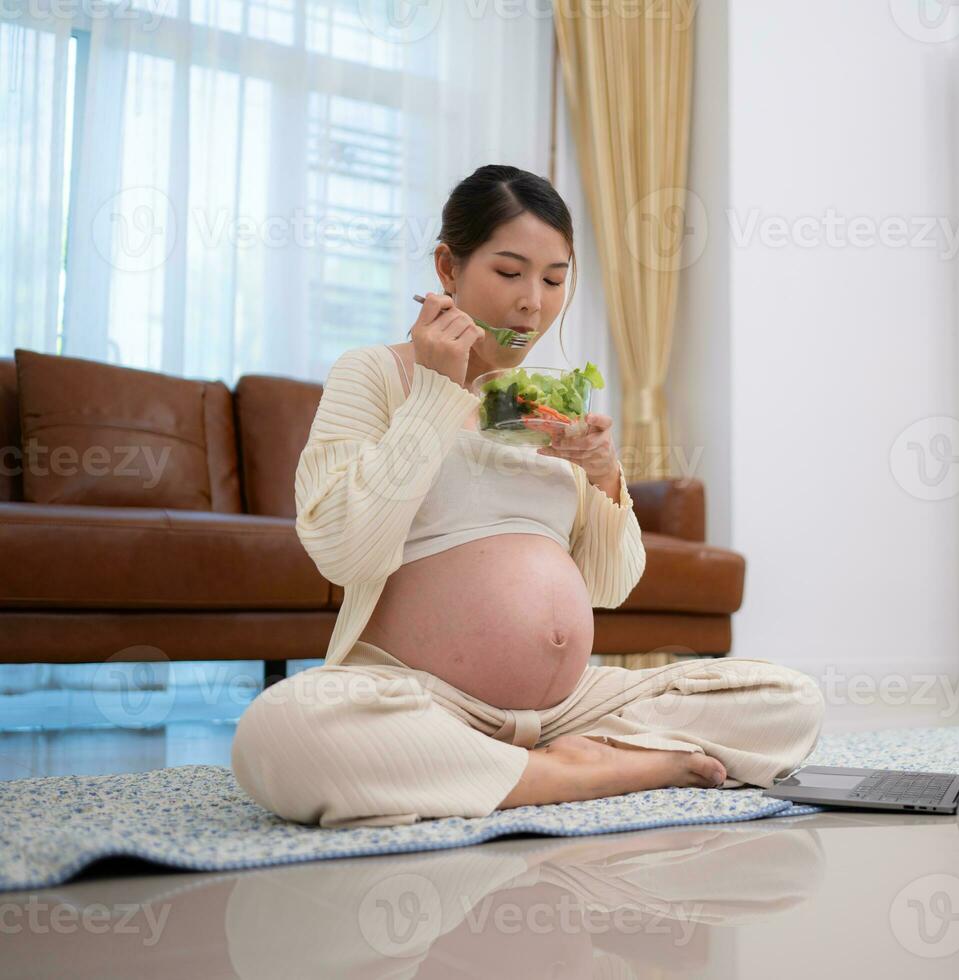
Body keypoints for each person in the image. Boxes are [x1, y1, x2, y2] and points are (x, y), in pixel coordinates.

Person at [230, 165, 824, 827]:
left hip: (567, 707)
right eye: (509, 274)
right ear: (448, 268)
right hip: (422, 698)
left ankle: (530, 766)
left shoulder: (542, 401)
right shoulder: (374, 374)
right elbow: (344, 553)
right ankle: (585, 769)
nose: (532, 305)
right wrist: (436, 394)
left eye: (554, 278)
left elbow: (608, 584)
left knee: (788, 702)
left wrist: (604, 478)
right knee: (283, 730)